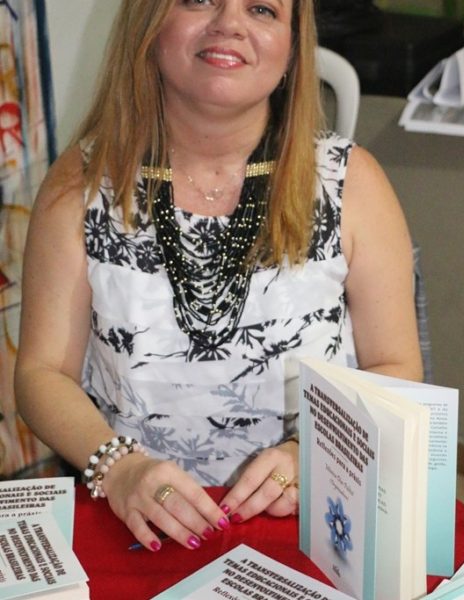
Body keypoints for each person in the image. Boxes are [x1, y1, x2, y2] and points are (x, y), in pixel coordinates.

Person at [14, 0, 422, 553]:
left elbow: (396, 369)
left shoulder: (354, 183)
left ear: (291, 50)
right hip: (137, 522)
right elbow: (42, 373)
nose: (229, 24)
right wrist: (118, 468)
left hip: (313, 522)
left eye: (262, 9)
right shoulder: (81, 183)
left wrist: (314, 453)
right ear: (149, 24)